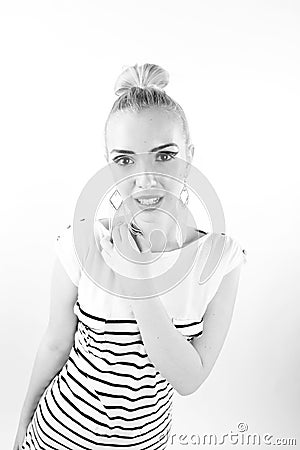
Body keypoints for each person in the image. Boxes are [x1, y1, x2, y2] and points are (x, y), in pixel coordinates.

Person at [14, 63, 247, 450]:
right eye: (125, 160)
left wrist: (138, 278)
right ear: (109, 165)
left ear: (189, 158)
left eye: (164, 156)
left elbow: (188, 379)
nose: (145, 179)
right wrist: (22, 424)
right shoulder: (80, 242)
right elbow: (55, 344)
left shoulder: (221, 260)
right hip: (56, 436)